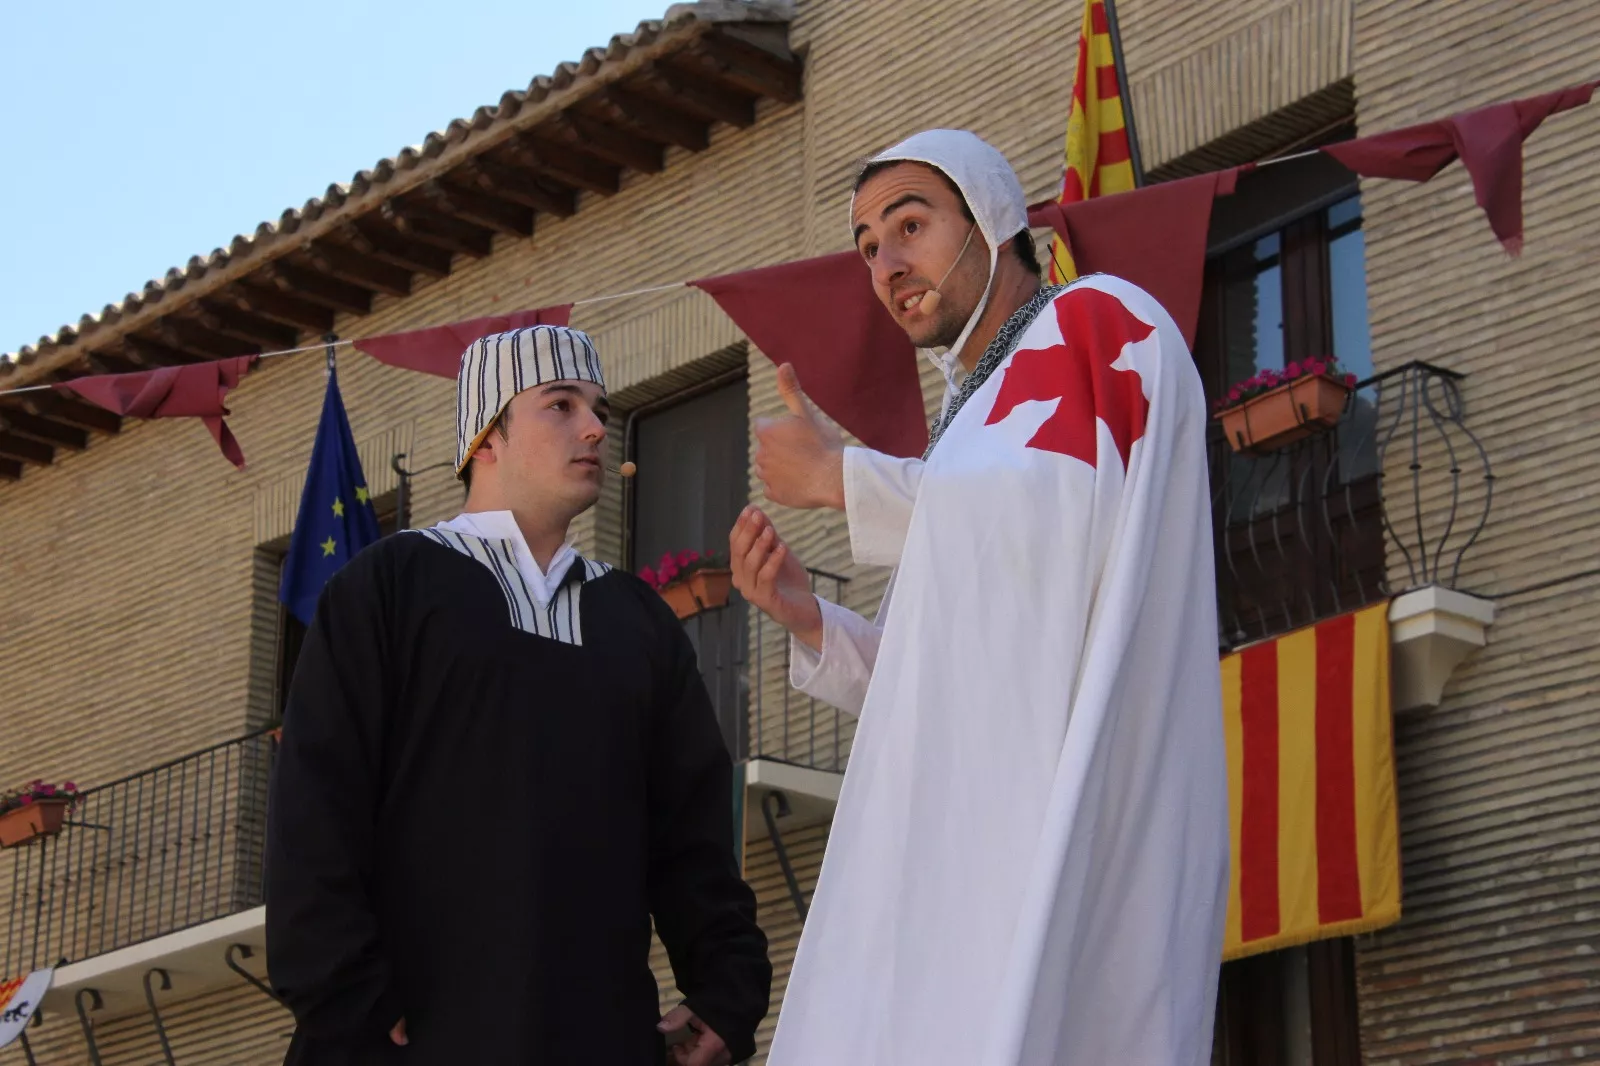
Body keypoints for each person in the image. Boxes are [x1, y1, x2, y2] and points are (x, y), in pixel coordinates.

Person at [732, 129, 1229, 1064]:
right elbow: (959, 671)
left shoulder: (1095, 322)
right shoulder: (970, 420)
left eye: (910, 223)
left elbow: (1049, 525)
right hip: (967, 846)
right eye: (868, 245)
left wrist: (847, 480)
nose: (887, 263)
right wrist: (814, 620)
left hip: (1060, 810)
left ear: (993, 220)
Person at [267, 325, 771, 1066]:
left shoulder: (636, 620)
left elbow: (692, 835)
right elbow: (315, 804)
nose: (596, 426)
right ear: (486, 436)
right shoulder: (388, 587)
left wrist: (727, 991)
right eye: (560, 405)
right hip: (412, 1039)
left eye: (597, 407)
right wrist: (350, 997)